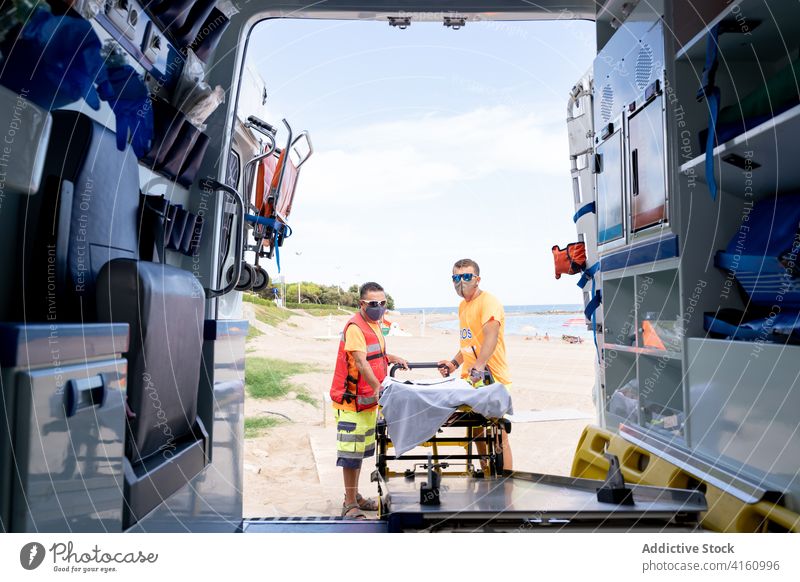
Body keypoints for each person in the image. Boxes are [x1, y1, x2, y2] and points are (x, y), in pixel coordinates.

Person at [330, 281, 408, 519]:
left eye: (382, 303)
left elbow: (376, 354)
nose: (379, 307)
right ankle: (350, 504)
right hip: (351, 401)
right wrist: (377, 387)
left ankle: (353, 497)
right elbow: (361, 362)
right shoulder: (355, 326)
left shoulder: (374, 324)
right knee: (350, 456)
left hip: (366, 402)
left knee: (359, 452)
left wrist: (393, 358)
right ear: (361, 304)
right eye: (373, 303)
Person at [437, 258, 513, 470]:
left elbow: (491, 337)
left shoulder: (488, 302)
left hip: (492, 378)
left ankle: (505, 481)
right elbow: (469, 343)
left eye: (466, 276)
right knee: (476, 430)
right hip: (471, 379)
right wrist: (453, 363)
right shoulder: (463, 306)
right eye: (456, 277)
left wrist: (479, 366)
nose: (461, 281)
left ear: (477, 279)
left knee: (498, 433)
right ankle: (486, 470)